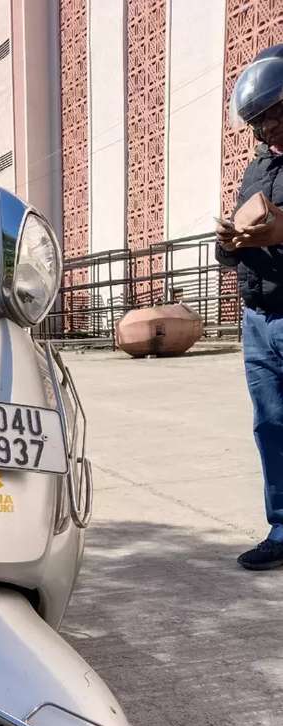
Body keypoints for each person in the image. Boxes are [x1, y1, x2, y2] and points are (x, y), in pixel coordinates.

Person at [217, 45, 283, 570]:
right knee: (270, 426)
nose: (266, 129)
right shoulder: (257, 168)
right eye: (258, 122)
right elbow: (241, 234)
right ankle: (281, 530)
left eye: (274, 115)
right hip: (258, 319)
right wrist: (227, 243)